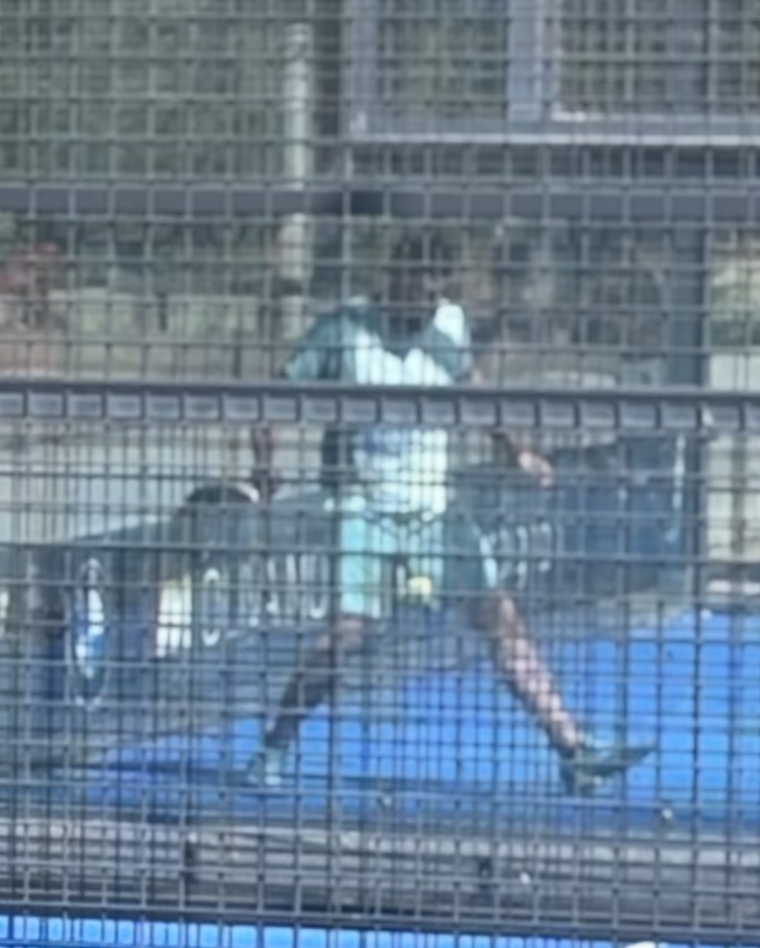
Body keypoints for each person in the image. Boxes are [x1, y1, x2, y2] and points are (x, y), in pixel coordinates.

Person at [243, 229, 650, 797]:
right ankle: (274, 748)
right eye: (421, 284)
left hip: (435, 507)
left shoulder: (450, 327)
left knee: (501, 620)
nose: (429, 297)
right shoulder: (345, 330)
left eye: (439, 287)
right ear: (395, 277)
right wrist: (265, 467)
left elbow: (475, 394)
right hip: (362, 504)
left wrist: (518, 452)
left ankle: (572, 748)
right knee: (347, 634)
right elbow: (274, 397)